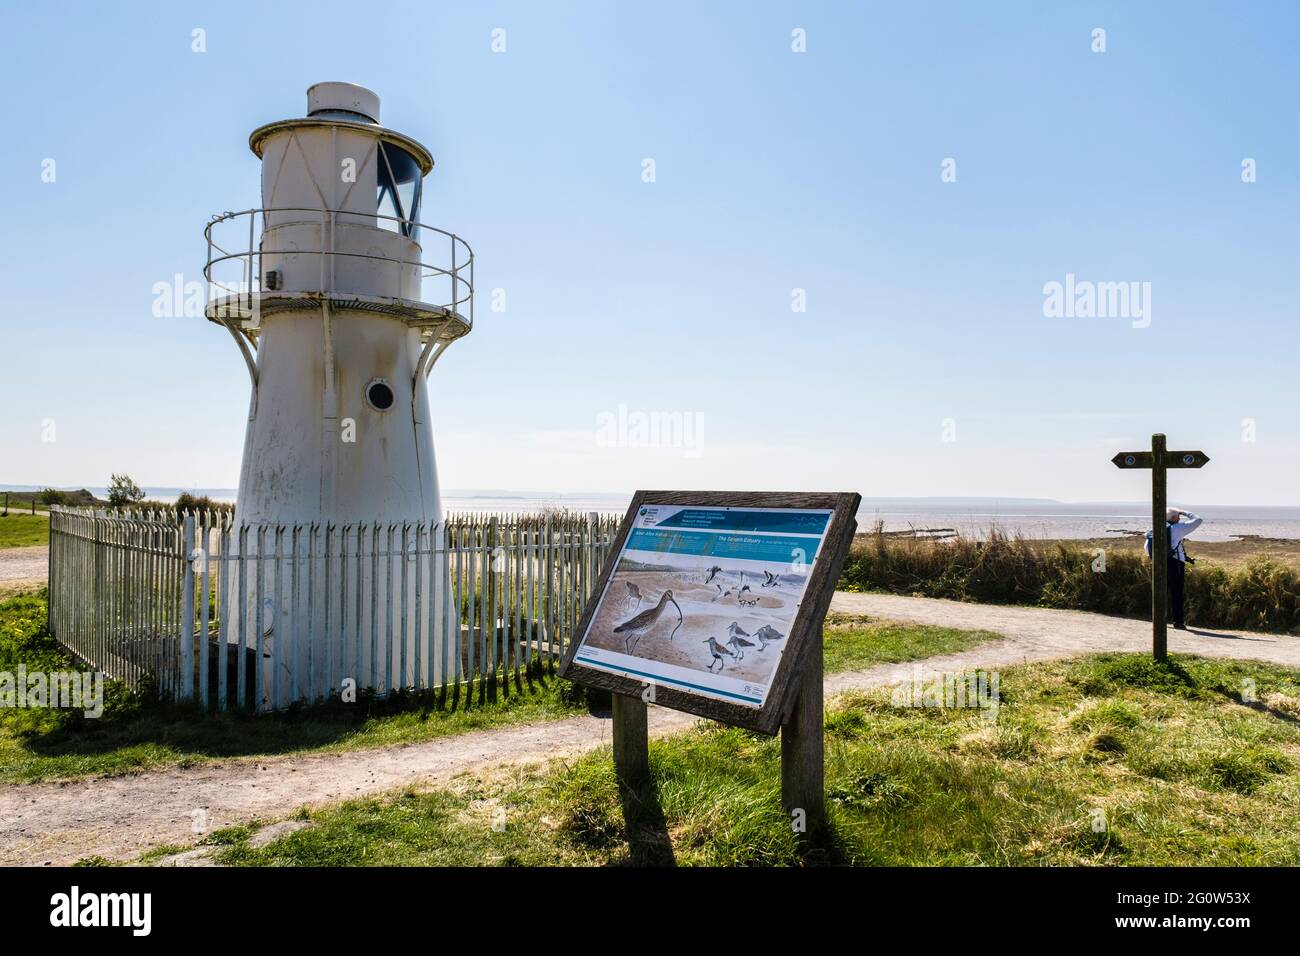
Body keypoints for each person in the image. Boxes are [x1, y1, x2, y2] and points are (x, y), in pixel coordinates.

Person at [1145, 508, 1202, 630]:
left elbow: (1146, 548)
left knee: (1161, 592)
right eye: (1178, 516)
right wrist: (1185, 512)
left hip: (1159, 563)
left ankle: (1158, 619)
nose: (1180, 518)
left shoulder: (1156, 528)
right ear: (1174, 518)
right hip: (1175, 564)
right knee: (1176, 593)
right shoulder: (1177, 528)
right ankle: (1178, 621)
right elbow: (1198, 520)